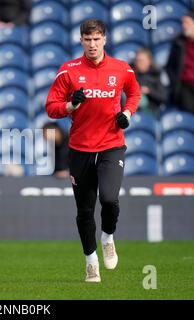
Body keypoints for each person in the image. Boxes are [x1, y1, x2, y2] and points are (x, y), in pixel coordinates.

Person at [45, 19, 141, 282]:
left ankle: (108, 237)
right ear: (81, 41)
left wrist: (127, 113)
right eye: (87, 39)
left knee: (109, 199)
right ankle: (91, 262)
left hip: (111, 145)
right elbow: (51, 106)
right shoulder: (68, 71)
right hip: (80, 148)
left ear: (105, 40)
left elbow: (134, 93)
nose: (92, 44)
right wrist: (69, 107)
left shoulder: (122, 69)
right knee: (85, 211)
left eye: (97, 39)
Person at [132, 48, 166, 116]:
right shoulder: (130, 75)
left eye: (142, 60)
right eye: (137, 60)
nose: (139, 63)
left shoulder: (156, 75)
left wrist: (149, 91)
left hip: (151, 111)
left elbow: (163, 98)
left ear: (149, 61)